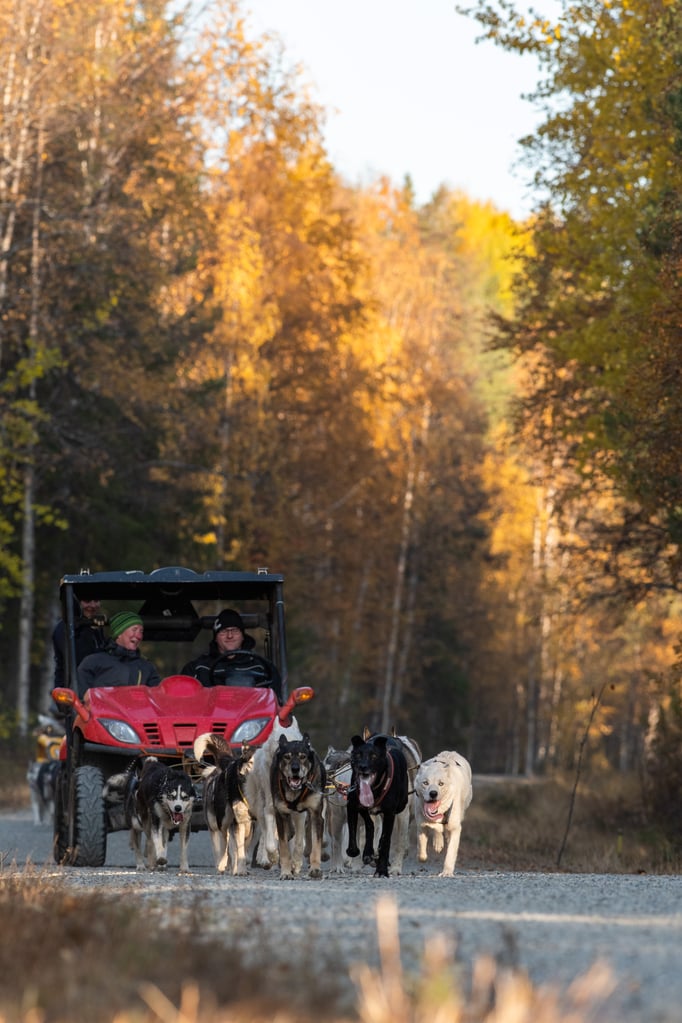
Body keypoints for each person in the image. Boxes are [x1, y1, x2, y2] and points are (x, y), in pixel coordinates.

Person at [181, 608, 283, 700]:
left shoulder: (262, 667)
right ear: (215, 638)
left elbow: (276, 703)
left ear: (242, 636)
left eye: (235, 631)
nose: (230, 636)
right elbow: (183, 702)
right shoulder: (197, 668)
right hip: (208, 714)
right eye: (223, 631)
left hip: (254, 714)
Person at [77, 610, 161, 697]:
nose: (139, 636)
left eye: (141, 631)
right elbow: (80, 699)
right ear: (119, 633)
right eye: (134, 629)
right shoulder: (93, 662)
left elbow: (159, 697)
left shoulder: (146, 667)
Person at [52, 596, 106, 687]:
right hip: (71, 688)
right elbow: (78, 659)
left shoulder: (94, 626)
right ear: (77, 603)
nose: (93, 605)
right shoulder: (65, 628)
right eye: (87, 600)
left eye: (96, 600)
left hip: (93, 686)